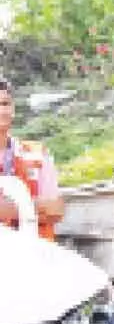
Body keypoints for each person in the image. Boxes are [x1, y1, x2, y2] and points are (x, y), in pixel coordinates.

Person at [0, 76, 64, 239]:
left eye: (5, 104)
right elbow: (47, 208)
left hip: (36, 257)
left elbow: (56, 210)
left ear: (13, 108)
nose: (1, 111)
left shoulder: (37, 153)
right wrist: (36, 207)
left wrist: (8, 209)